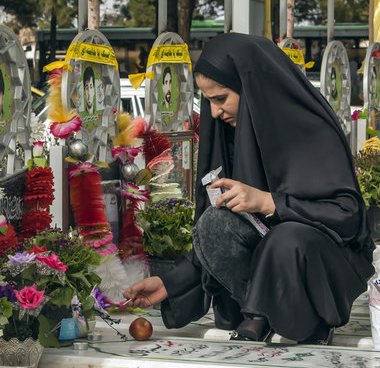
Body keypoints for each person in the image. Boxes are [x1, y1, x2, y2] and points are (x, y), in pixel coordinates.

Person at [124, 33, 374, 345]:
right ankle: (264, 313)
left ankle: (305, 321)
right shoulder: (231, 136)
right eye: (208, 100)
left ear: (252, 89)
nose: (214, 113)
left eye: (221, 99)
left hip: (323, 259)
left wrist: (270, 202)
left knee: (286, 239)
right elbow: (223, 230)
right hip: (272, 259)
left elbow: (347, 216)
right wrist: (169, 283)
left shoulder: (311, 129)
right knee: (214, 224)